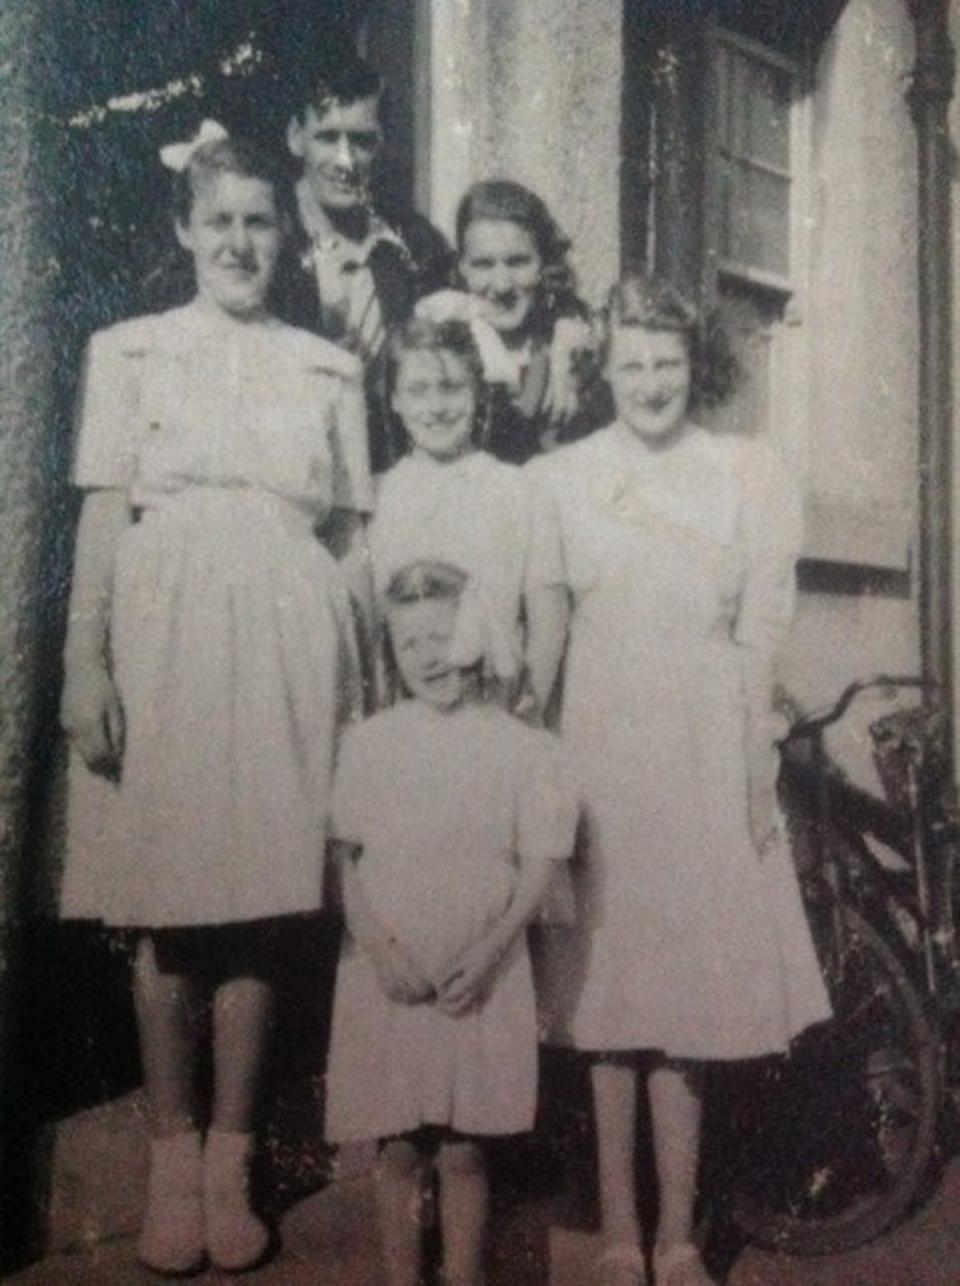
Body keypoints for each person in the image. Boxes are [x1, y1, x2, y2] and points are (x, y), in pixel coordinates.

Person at [59, 123, 372, 1276]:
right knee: (165, 906)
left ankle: (235, 1158)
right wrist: (84, 662)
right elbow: (100, 514)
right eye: (219, 220)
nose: (239, 241)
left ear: (283, 235)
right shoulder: (129, 351)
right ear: (185, 229)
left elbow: (352, 539)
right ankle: (171, 1160)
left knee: (261, 904)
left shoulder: (326, 365)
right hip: (166, 633)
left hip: (294, 643)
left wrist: (366, 690)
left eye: (258, 221)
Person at [532, 274, 831, 1286]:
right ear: (603, 368)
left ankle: (681, 1235)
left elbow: (759, 631)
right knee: (610, 998)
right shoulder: (562, 476)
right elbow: (547, 634)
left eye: (667, 362)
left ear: (690, 366)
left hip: (700, 744)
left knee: (688, 1005)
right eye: (632, 362)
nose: (650, 381)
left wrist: (753, 761)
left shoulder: (745, 471)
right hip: (601, 743)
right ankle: (620, 1230)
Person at [324, 560, 576, 1286]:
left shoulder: (521, 746)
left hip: (484, 973)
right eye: (410, 644)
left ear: (479, 635)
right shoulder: (370, 742)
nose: (430, 656)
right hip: (388, 974)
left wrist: (494, 950)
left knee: (467, 1148)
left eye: (445, 635)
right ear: (390, 654)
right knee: (399, 1147)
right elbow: (344, 861)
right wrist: (377, 947)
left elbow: (538, 868)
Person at [369, 316, 568, 716]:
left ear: (478, 391)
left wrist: (527, 717)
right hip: (408, 715)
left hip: (496, 712)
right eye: (418, 390)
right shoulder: (378, 496)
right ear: (393, 398)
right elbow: (374, 631)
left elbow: (549, 617)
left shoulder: (520, 489)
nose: (437, 408)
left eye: (451, 388)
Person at [282, 54, 453, 472]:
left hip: (388, 476)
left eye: (361, 140)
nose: (346, 161)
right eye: (327, 138)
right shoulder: (265, 238)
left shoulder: (413, 243)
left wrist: (564, 323)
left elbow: (478, 309)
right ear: (295, 136)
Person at [417, 179, 607, 465]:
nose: (502, 284)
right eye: (483, 264)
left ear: (543, 264)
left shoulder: (568, 350)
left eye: (518, 262)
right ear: (462, 268)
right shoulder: (440, 343)